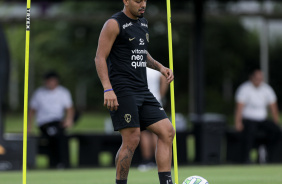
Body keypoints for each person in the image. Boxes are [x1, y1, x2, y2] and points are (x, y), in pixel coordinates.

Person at [94, 1, 175, 184]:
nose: (143, 4)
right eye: (138, 0)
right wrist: (108, 89)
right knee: (132, 139)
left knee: (167, 131)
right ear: (126, 1)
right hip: (122, 90)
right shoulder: (113, 24)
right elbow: (100, 57)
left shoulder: (143, 23)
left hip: (142, 89)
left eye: (144, 0)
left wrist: (160, 67)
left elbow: (141, 53)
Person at [28, 71, 74, 168]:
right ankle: (57, 163)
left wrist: (69, 120)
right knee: (55, 134)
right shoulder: (39, 93)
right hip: (44, 123)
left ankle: (63, 163)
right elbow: (32, 110)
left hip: (58, 122)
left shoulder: (63, 92)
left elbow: (69, 108)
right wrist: (29, 126)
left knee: (60, 135)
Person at [234, 69, 281, 163]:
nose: (259, 80)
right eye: (257, 78)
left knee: (277, 131)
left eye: (261, 78)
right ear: (251, 78)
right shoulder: (244, 89)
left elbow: (273, 107)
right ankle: (246, 159)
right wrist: (238, 122)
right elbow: (239, 107)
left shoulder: (267, 89)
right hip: (249, 119)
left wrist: (276, 121)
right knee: (249, 133)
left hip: (262, 120)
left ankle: (273, 157)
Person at [138, 68, 168, 171]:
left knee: (144, 133)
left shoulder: (138, 68)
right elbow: (164, 78)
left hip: (141, 102)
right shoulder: (154, 70)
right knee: (157, 134)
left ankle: (147, 161)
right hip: (155, 102)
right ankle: (157, 161)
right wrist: (161, 95)